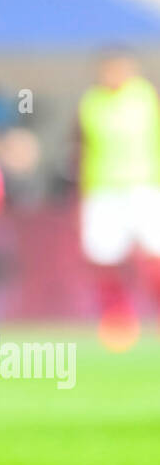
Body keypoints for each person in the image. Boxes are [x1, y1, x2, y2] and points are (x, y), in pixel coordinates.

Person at [78, 49, 160, 349]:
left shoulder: (146, 98)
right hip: (103, 190)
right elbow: (83, 147)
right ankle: (117, 321)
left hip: (145, 187)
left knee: (154, 256)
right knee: (105, 258)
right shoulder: (91, 103)